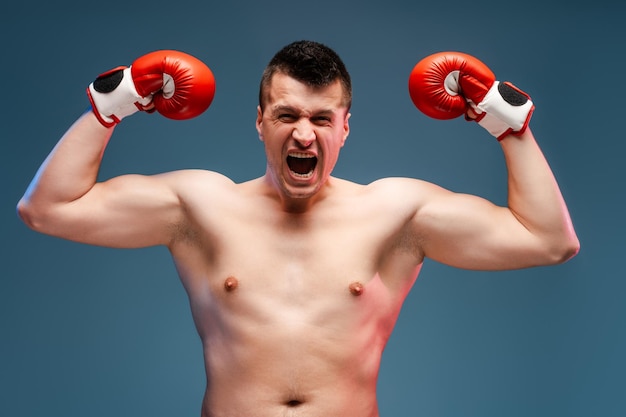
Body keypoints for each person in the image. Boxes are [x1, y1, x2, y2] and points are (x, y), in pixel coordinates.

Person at [17, 40, 579, 417]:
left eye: (321, 119)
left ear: (345, 128)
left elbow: (549, 240)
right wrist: (113, 104)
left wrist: (507, 124)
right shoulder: (200, 207)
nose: (303, 135)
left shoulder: (394, 213)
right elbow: (47, 208)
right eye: (286, 116)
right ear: (260, 123)